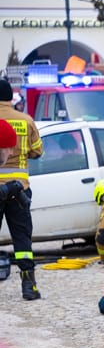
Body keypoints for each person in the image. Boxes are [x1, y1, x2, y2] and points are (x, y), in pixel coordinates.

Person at [0, 80, 43, 300]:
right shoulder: (25, 120)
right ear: (10, 97)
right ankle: (29, 286)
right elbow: (37, 151)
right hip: (20, 190)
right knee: (22, 239)